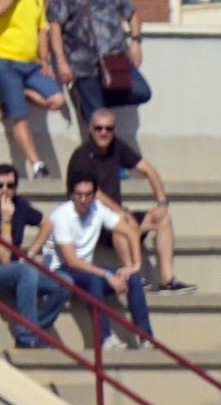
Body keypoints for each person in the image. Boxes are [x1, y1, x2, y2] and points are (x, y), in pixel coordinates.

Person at [65, 108, 191, 294]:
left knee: (162, 218)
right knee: (121, 224)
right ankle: (133, 277)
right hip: (92, 222)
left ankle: (167, 280)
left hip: (116, 216)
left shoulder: (117, 147)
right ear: (90, 129)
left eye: (109, 128)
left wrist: (162, 202)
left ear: (114, 130)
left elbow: (148, 169)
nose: (104, 132)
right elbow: (94, 193)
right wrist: (120, 212)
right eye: (99, 128)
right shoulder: (82, 156)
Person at [0, 0, 66, 179]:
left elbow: (42, 29)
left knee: (57, 100)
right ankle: (37, 165)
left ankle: (19, 93)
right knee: (20, 116)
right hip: (4, 61)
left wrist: (44, 59)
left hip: (30, 65)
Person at [45, 0, 149, 122]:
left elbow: (132, 14)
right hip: (83, 67)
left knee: (142, 91)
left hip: (115, 62)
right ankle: (92, 107)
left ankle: (95, 103)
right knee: (97, 120)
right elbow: (54, 27)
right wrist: (61, 62)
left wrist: (135, 43)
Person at [0, 162, 67, 347]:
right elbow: (3, 258)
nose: (4, 190)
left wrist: (30, 254)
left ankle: (35, 328)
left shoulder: (20, 205)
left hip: (11, 267)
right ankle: (27, 337)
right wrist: (6, 220)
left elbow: (47, 224)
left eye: (10, 185)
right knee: (26, 271)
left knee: (64, 283)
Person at [50, 175, 151, 347]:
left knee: (133, 279)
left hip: (86, 268)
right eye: (79, 194)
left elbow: (131, 231)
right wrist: (108, 275)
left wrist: (135, 265)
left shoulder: (98, 209)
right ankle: (104, 338)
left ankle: (146, 338)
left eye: (88, 194)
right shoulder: (61, 216)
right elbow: (72, 261)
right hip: (60, 269)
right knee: (94, 279)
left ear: (94, 195)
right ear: (72, 195)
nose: (83, 200)